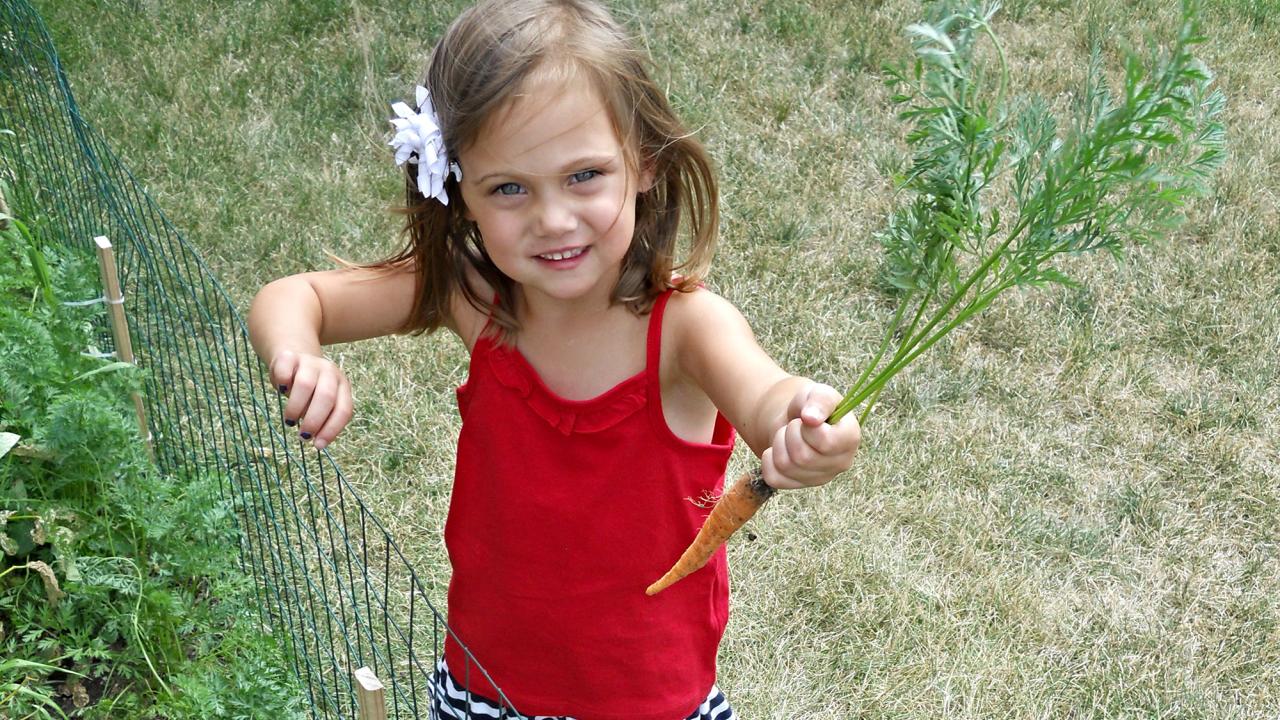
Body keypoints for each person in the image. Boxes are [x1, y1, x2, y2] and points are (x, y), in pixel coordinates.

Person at [247, 0, 861, 717]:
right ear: (459, 192)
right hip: (483, 691)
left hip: (652, 705)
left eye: (584, 176)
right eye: (509, 188)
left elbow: (770, 398)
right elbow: (295, 297)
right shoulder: (474, 297)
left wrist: (810, 423)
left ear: (643, 163)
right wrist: (301, 356)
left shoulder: (689, 328)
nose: (553, 220)